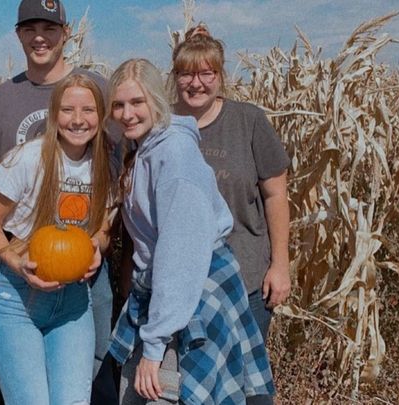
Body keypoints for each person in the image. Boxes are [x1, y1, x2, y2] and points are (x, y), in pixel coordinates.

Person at [107, 58, 275, 404]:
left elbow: (178, 255)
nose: (127, 114)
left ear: (156, 100)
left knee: (163, 391)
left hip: (191, 290)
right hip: (172, 291)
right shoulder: (142, 149)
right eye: (118, 105)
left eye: (137, 102)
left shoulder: (175, 154)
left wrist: (154, 347)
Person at [0, 1, 118, 401]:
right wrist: (16, 262)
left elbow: (105, 223)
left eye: (88, 110)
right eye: (68, 110)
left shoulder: (103, 165)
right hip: (18, 296)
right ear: (54, 115)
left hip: (74, 298)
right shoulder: (25, 157)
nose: (78, 119)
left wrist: (98, 246)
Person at [171, 25, 291, 343]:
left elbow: (276, 195)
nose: (196, 83)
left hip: (245, 280)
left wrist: (280, 266)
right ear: (175, 76)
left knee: (243, 369)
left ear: (220, 75)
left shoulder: (248, 121)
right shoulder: (162, 126)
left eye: (206, 73)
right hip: (179, 282)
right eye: (186, 74)